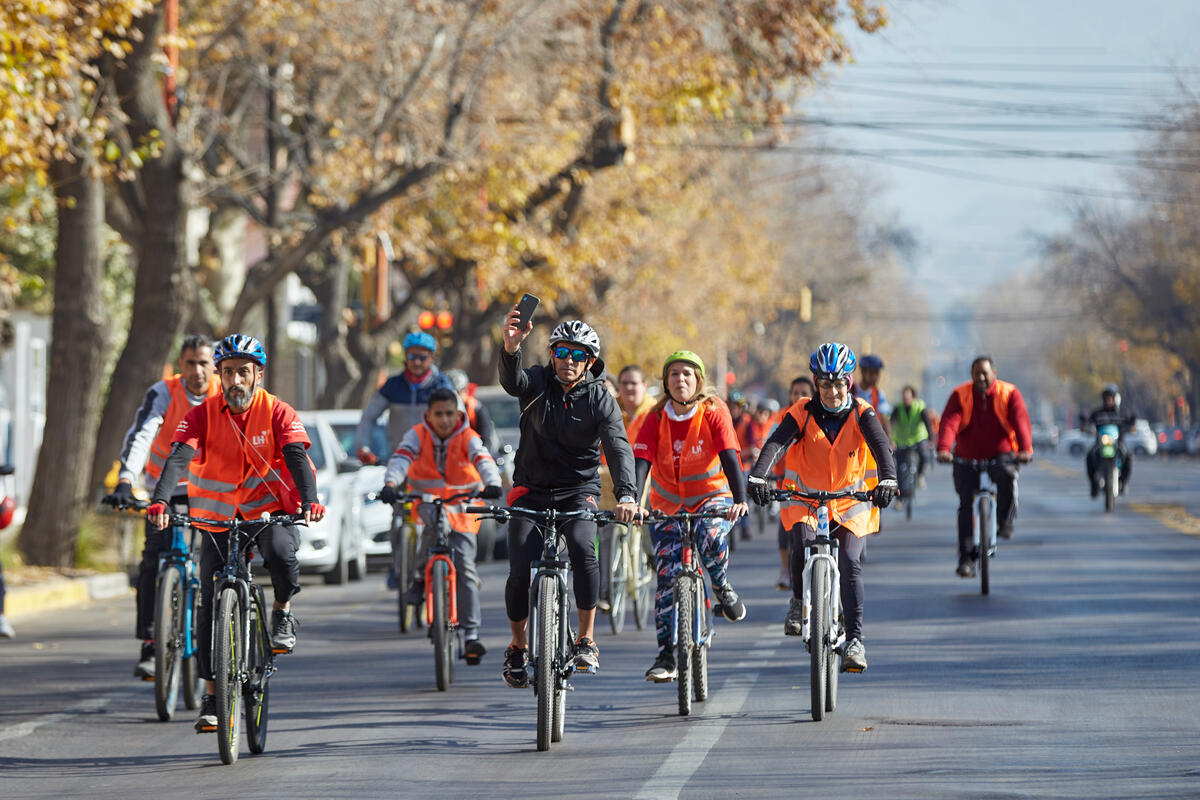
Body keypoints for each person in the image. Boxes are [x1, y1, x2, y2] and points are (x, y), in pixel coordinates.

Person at [146, 334, 325, 733]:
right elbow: (178, 457)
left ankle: (281, 613)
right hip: (216, 518)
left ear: (258, 374)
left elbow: (296, 455)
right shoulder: (202, 415)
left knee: (280, 554)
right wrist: (159, 501)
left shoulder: (277, 411)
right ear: (219, 376)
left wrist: (309, 501)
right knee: (210, 603)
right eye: (227, 373)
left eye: (243, 372)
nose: (235, 380)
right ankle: (212, 696)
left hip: (268, 511)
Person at [498, 313, 639, 686]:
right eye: (562, 351)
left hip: (579, 492)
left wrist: (626, 494)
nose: (569, 360)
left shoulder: (599, 398)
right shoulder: (537, 383)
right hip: (531, 488)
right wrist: (511, 348)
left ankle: (586, 638)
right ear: (552, 354)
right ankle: (517, 644)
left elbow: (619, 447)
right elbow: (513, 381)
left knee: (582, 546)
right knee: (518, 563)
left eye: (578, 354)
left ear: (590, 361)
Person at [747, 343, 897, 673]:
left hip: (850, 501)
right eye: (825, 384)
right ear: (816, 383)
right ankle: (799, 600)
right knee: (800, 544)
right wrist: (758, 476)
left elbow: (881, 447)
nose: (833, 391)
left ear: (850, 381)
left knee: (850, 561)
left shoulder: (862, 412)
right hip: (805, 498)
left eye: (839, 383)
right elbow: (776, 442)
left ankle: (855, 640)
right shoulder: (801, 411)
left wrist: (888, 480)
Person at [101, 335, 221, 679]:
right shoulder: (164, 392)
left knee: (221, 563)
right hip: (164, 489)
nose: (198, 370)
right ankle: (152, 641)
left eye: (204, 363)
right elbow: (142, 433)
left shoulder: (225, 391)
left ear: (213, 365)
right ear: (180, 365)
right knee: (152, 560)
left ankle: (220, 637)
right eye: (190, 363)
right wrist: (126, 479)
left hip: (212, 491)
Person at [633, 350, 749, 682]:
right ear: (665, 382)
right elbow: (641, 461)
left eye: (687, 374)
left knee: (711, 538)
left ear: (698, 381)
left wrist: (739, 500)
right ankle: (666, 655)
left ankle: (722, 587)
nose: (680, 379)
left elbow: (730, 456)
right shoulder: (655, 418)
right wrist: (634, 501)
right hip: (668, 504)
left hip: (711, 498)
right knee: (667, 577)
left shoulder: (714, 411)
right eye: (674, 375)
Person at [380, 388, 502, 664]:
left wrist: (492, 483)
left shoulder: (468, 436)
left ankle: (471, 635)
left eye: (450, 413)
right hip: (427, 500)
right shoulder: (417, 434)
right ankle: (421, 579)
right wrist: (390, 483)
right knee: (430, 533)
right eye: (439, 414)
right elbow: (401, 457)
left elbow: (483, 460)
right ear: (428, 415)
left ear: (458, 414)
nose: (445, 420)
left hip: (463, 505)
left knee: (466, 566)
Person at [935, 355, 1033, 578]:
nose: (980, 377)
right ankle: (966, 559)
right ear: (971, 375)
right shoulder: (960, 394)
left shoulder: (1009, 393)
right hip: (966, 456)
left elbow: (1020, 420)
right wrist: (943, 448)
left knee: (1008, 476)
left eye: (984, 373)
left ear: (994, 373)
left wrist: (1025, 449)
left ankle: (1005, 520)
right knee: (965, 506)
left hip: (1001, 454)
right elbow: (950, 421)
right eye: (976, 373)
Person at [353, 330, 454, 463]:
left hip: (437, 460)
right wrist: (363, 447)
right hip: (401, 459)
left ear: (432, 358)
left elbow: (459, 419)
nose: (417, 362)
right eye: (412, 357)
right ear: (405, 356)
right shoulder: (392, 386)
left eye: (422, 358)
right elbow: (368, 416)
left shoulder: (442, 385)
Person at [774, 376, 815, 590]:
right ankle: (785, 569)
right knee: (786, 529)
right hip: (787, 485)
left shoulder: (817, 417)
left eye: (803, 392)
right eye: (795, 392)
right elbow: (772, 447)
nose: (799, 397)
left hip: (814, 488)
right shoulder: (783, 417)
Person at [1083, 383, 1136, 496]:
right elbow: (1088, 423)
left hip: (1117, 443)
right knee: (1089, 456)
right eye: (1106, 398)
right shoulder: (1098, 413)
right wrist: (1086, 427)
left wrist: (1131, 427)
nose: (1108, 401)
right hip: (1100, 444)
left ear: (1116, 399)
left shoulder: (1122, 413)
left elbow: (1131, 422)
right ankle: (1094, 484)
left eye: (1110, 398)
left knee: (1128, 456)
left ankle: (1124, 482)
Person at [890, 384, 938, 491]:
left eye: (907, 398)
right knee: (899, 467)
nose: (905, 400)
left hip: (918, 438)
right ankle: (899, 499)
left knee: (923, 455)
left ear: (913, 397)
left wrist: (931, 440)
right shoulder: (898, 408)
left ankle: (920, 475)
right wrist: (890, 440)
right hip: (902, 440)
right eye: (903, 398)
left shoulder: (920, 407)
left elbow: (928, 424)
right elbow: (891, 424)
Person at [444, 368, 500, 456]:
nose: (455, 397)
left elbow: (486, 441)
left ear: (465, 390)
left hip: (472, 457)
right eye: (450, 393)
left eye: (458, 392)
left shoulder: (477, 409)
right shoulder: (439, 411)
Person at [855, 354, 893, 439]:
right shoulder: (850, 392)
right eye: (871, 372)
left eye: (877, 373)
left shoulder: (878, 394)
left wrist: (889, 440)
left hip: (871, 440)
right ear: (862, 372)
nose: (875, 376)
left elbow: (884, 418)